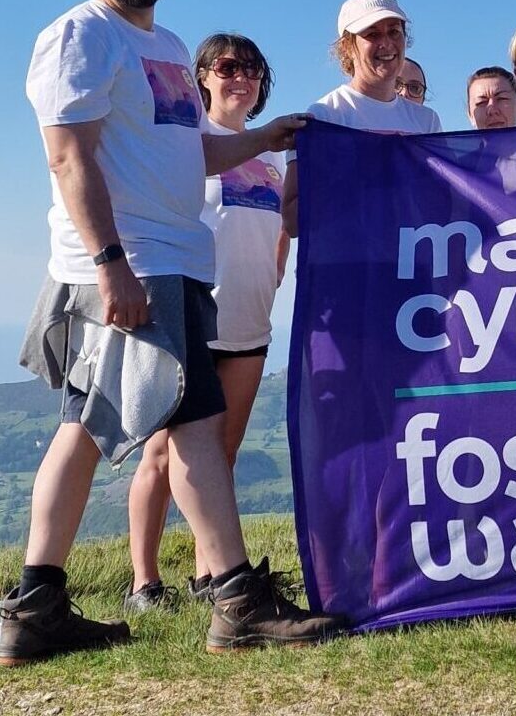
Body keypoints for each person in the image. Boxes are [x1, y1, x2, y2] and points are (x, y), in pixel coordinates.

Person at [7, 0, 338, 664]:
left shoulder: (165, 45)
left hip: (168, 261)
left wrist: (264, 136)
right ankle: (234, 601)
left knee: (91, 427)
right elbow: (68, 156)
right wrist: (110, 264)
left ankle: (38, 605)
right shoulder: (80, 35)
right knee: (186, 427)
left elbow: (188, 157)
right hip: (136, 264)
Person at [125, 33, 289, 611]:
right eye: (227, 67)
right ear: (201, 76)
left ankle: (210, 575)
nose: (240, 77)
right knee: (163, 454)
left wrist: (274, 275)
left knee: (224, 452)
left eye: (252, 68)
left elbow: (279, 231)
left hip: (250, 321)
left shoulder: (270, 154)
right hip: (196, 313)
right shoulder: (190, 141)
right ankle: (144, 582)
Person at [282, 0, 442, 237]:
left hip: (412, 269)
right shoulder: (324, 116)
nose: (386, 43)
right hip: (348, 270)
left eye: (394, 31)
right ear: (347, 47)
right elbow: (292, 220)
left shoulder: (427, 121)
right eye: (372, 34)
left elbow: (440, 205)